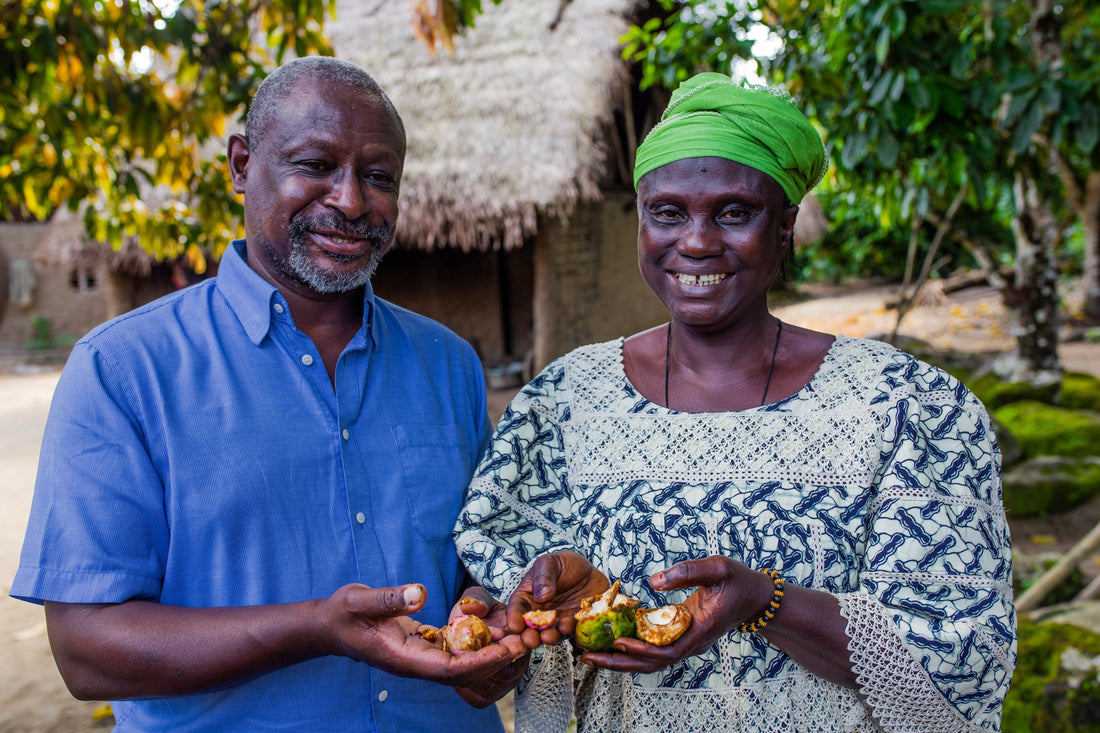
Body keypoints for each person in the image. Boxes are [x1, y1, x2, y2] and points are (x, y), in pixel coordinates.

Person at [454, 72, 1015, 732]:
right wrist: (542, 612)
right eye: (667, 213)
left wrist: (765, 599)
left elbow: (960, 660)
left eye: (732, 212)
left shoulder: (908, 410)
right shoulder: (562, 405)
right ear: (639, 223)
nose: (695, 241)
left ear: (783, 227)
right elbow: (505, 659)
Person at [10, 56, 528, 732]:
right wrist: (315, 627)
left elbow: (474, 572)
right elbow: (85, 652)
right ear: (240, 165)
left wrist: (491, 616)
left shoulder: (449, 364)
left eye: (377, 177)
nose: (349, 200)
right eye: (315, 165)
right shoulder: (121, 370)